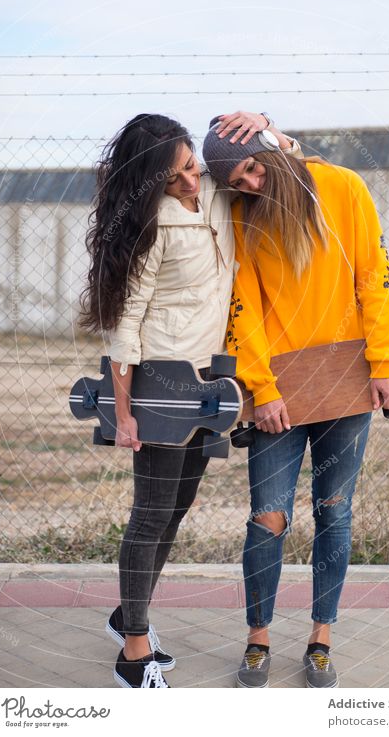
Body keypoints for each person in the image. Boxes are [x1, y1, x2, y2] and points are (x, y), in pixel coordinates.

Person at [78, 111, 302, 688]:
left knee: (175, 511)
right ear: (150, 182)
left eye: (191, 167)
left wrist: (268, 126)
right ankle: (133, 655)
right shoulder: (149, 226)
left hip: (209, 386)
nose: (189, 182)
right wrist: (124, 413)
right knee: (150, 516)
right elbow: (126, 324)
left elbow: (292, 169)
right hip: (159, 385)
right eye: (173, 177)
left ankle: (130, 615)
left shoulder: (219, 197)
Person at [202, 114, 389, 688]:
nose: (249, 185)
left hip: (346, 383)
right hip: (280, 396)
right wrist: (261, 390)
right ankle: (258, 639)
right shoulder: (245, 216)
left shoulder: (344, 187)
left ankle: (321, 639)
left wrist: (387, 362)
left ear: (271, 147)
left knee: (334, 512)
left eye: (250, 169)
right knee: (268, 517)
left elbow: (376, 276)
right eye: (236, 182)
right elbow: (241, 305)